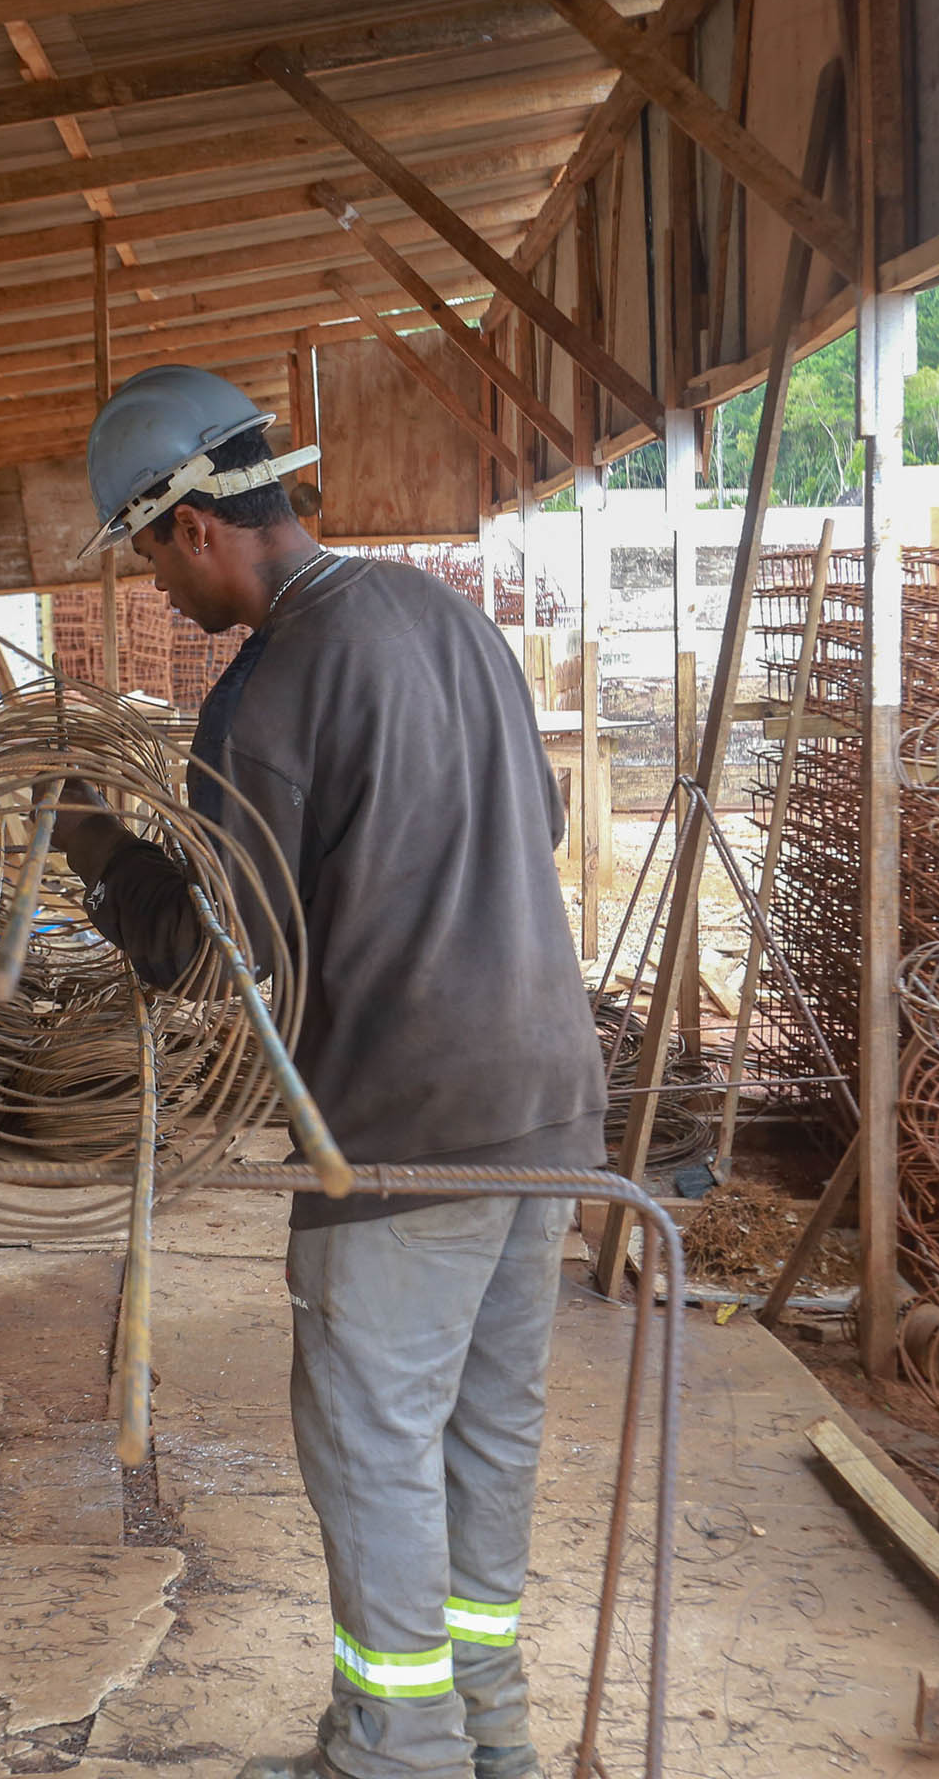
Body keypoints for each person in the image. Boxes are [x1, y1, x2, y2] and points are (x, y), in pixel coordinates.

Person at [49, 364, 607, 1779]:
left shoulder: (272, 687)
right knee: (486, 1439)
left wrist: (97, 846)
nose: (160, 597)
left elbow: (211, 952)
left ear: (191, 530)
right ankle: (494, 1742)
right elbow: (530, 821)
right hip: (549, 1103)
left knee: (371, 1449)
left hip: (406, 1126)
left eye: (147, 561)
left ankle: (394, 1753)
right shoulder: (447, 614)